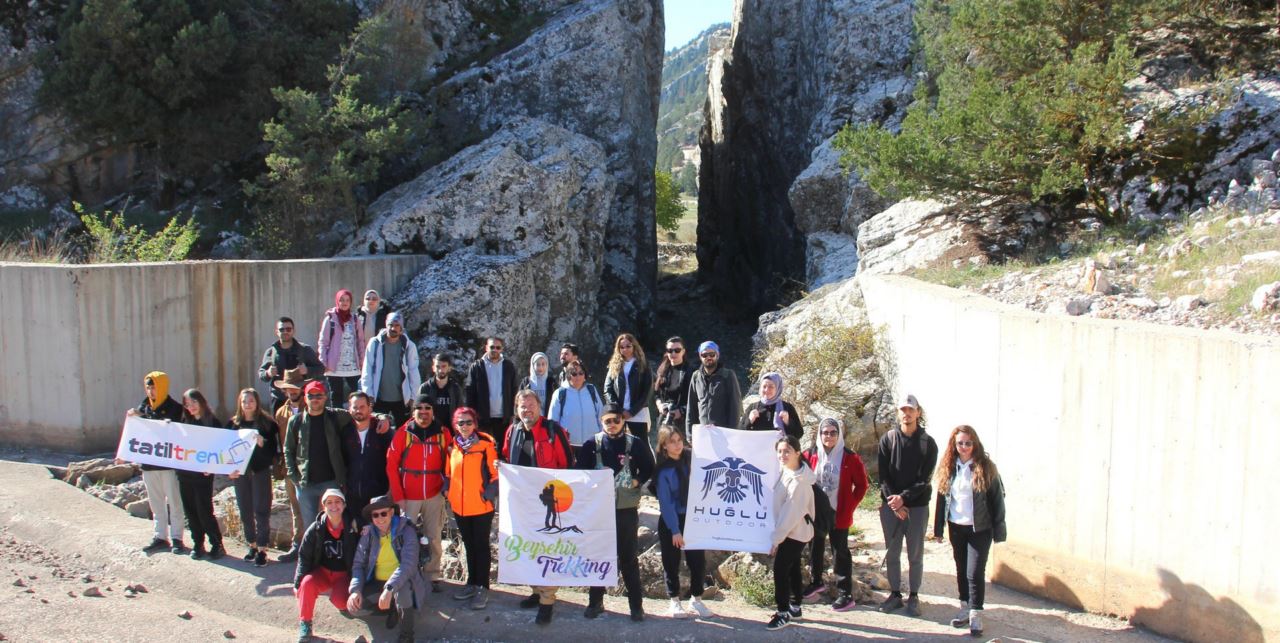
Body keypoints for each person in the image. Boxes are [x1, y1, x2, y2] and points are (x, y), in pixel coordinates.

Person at [502, 390, 575, 624]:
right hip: (523, 503)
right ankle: (536, 590)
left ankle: (547, 600)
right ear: (516, 409)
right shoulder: (512, 431)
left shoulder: (553, 431)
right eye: (522, 406)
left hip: (547, 504)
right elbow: (506, 459)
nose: (527, 410)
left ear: (539, 406)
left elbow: (567, 465)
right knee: (529, 548)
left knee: (548, 549)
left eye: (531, 405)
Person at [577, 404, 654, 621]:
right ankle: (595, 602)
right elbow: (579, 471)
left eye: (616, 420)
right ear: (601, 423)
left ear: (623, 420)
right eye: (607, 421)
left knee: (629, 557)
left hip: (626, 510)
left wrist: (637, 480)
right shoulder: (592, 444)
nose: (612, 425)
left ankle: (636, 607)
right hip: (599, 510)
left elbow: (649, 466)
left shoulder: (635, 443)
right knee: (599, 556)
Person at [932, 425, 1006, 637]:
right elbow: (941, 498)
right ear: (954, 445)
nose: (964, 447)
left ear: (975, 444)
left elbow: (997, 501)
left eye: (968, 443)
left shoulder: (986, 467)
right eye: (960, 443)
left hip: (980, 529)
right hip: (956, 527)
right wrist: (938, 528)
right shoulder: (948, 467)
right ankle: (965, 606)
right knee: (961, 569)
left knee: (974, 572)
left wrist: (999, 530)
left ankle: (976, 613)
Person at [877, 393, 938, 617]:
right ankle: (894, 594)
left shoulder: (927, 443)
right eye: (903, 409)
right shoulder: (888, 440)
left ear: (918, 412)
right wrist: (894, 502)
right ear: (898, 412)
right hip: (891, 506)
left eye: (910, 409)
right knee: (892, 552)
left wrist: (904, 499)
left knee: (915, 553)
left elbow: (925, 479)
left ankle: (914, 596)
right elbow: (883, 476)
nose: (907, 413)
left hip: (917, 507)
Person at [386, 394, 453, 593]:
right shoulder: (403, 433)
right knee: (405, 538)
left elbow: (452, 461)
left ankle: (432, 575)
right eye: (420, 408)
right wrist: (398, 497)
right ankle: (406, 574)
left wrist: (447, 488)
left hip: (434, 494)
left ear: (433, 411)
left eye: (428, 408)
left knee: (433, 536)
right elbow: (391, 465)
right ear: (413, 411)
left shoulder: (443, 433)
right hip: (409, 496)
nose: (423, 412)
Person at [801, 418, 869, 611]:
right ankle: (816, 581)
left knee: (840, 552)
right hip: (816, 511)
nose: (828, 436)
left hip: (839, 512)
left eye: (832, 433)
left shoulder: (850, 458)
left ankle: (844, 593)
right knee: (815, 546)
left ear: (839, 435)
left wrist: (850, 505)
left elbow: (862, 485)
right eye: (825, 433)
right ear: (819, 435)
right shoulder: (810, 454)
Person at [651, 426, 712, 619]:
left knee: (698, 561)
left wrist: (709, 433)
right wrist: (675, 530)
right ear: (664, 446)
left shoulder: (691, 459)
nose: (677, 445)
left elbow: (712, 453)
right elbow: (666, 503)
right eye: (672, 442)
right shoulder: (663, 471)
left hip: (693, 517)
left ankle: (697, 599)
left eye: (679, 440)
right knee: (671, 561)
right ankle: (675, 601)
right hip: (672, 522)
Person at [348, 495, 426, 643]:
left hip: (403, 581)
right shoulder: (368, 534)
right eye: (375, 515)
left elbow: (408, 565)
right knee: (355, 608)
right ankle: (393, 609)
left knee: (402, 594)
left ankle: (406, 635)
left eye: (383, 513)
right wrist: (355, 590)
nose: (380, 518)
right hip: (377, 582)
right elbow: (358, 564)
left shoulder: (406, 531)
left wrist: (389, 588)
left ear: (391, 512)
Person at [444, 407, 498, 610]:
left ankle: (482, 587)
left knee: (481, 546)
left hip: (481, 506)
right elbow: (448, 473)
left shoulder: (486, 445)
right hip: (460, 507)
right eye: (460, 423)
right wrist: (447, 490)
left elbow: (495, 474)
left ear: (475, 424)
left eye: (468, 422)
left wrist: (488, 494)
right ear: (455, 425)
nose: (464, 426)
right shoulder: (452, 446)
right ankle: (471, 583)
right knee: (468, 546)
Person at [125, 371, 185, 553]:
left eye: (155, 387)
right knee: (156, 502)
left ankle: (177, 537)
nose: (152, 392)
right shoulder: (143, 408)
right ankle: (160, 536)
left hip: (168, 464)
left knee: (174, 502)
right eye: (149, 388)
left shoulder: (175, 408)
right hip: (149, 464)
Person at [294, 489, 359, 643]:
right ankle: (305, 624)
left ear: (343, 505)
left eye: (337, 501)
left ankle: (343, 605)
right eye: (329, 502)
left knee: (341, 601)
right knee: (306, 584)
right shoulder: (316, 528)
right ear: (323, 506)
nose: (333, 506)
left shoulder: (353, 526)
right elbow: (304, 555)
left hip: (343, 575)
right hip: (322, 572)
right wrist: (298, 582)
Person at [285, 381, 355, 520]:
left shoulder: (336, 416)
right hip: (305, 483)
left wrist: (382, 418)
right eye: (311, 396)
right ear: (305, 398)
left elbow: (360, 414)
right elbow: (288, 450)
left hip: (331, 481)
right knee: (310, 524)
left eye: (319, 395)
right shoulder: (295, 421)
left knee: (334, 521)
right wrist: (294, 477)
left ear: (325, 397)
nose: (315, 399)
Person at [766, 435, 816, 631]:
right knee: (793, 566)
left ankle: (782, 612)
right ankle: (795, 607)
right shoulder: (788, 471)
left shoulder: (799, 482)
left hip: (795, 532)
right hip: (792, 530)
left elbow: (790, 514)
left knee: (780, 569)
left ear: (797, 452)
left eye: (787, 451)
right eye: (779, 451)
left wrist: (777, 539)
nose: (782, 455)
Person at [226, 388, 279, 567]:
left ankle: (263, 548)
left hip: (260, 471)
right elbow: (225, 451)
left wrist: (262, 443)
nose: (248, 404)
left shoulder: (268, 424)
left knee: (261, 510)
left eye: (251, 401)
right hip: (241, 473)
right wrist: (228, 469)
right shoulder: (232, 425)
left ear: (257, 402)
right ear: (239, 404)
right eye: (244, 401)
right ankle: (252, 545)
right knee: (245, 510)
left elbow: (273, 452)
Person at [178, 389, 225, 560]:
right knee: (190, 510)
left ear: (201, 402)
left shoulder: (213, 422)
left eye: (194, 403)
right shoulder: (184, 423)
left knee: (204, 510)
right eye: (187, 405)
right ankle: (198, 543)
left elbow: (221, 447)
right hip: (184, 474)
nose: (191, 407)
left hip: (203, 475)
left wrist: (213, 466)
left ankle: (217, 543)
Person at [360, 311, 420, 427]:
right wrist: (369, 395)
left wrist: (413, 397)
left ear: (401, 328)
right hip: (379, 398)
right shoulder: (375, 343)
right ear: (386, 325)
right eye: (390, 325)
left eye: (397, 325)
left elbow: (413, 371)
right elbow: (367, 369)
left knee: (403, 433)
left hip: (402, 399)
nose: (393, 328)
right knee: (378, 432)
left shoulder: (409, 346)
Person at [342, 392, 394, 523]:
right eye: (355, 407)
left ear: (369, 408)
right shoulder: (345, 431)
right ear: (349, 409)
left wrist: (391, 489)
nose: (358, 410)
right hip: (352, 495)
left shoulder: (382, 430)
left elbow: (393, 461)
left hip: (378, 494)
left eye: (362, 406)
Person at [273, 368, 309, 563]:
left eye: (296, 388)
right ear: (285, 391)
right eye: (289, 389)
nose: (293, 392)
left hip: (309, 466)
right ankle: (298, 544)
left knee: (312, 506)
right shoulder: (281, 412)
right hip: (289, 466)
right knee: (295, 508)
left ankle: (313, 545)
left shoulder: (311, 407)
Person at [259, 316, 324, 411]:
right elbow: (262, 374)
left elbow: (321, 369)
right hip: (279, 399)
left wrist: (307, 370)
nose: (285, 332)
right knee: (279, 425)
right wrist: (268, 373)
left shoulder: (305, 350)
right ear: (276, 332)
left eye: (288, 329)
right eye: (282, 329)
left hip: (302, 399)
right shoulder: (271, 352)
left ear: (293, 331)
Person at [465, 337, 518, 448]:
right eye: (492, 347)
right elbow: (470, 393)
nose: (495, 350)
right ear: (486, 348)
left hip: (503, 418)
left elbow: (514, 390)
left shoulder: (509, 366)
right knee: (483, 448)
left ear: (501, 349)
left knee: (501, 450)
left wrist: (514, 413)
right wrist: (471, 415)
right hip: (483, 418)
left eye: (498, 347)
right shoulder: (477, 367)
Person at [603, 333, 654, 442]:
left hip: (639, 412)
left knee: (641, 445)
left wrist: (632, 411)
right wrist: (618, 409)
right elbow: (608, 389)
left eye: (628, 346)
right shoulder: (614, 365)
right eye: (622, 347)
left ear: (634, 346)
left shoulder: (643, 364)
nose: (625, 349)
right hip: (619, 413)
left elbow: (647, 391)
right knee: (619, 444)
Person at [318, 289, 366, 403]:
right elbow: (323, 342)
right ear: (337, 301)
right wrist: (323, 361)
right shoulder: (330, 319)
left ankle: (353, 419)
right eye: (341, 300)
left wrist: (362, 359)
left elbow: (360, 341)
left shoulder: (354, 319)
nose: (344, 303)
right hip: (333, 365)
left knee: (355, 395)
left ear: (350, 302)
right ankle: (336, 420)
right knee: (336, 396)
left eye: (347, 300)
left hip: (352, 365)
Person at [546, 360, 603, 454]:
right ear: (568, 376)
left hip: (592, 443)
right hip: (568, 445)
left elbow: (600, 415)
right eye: (574, 373)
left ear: (585, 375)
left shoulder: (592, 390)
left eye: (581, 373)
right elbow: (552, 421)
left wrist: (601, 436)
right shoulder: (560, 393)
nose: (578, 376)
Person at [686, 341, 742, 436]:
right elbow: (691, 406)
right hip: (703, 433)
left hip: (723, 433)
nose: (708, 357)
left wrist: (733, 433)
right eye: (704, 355)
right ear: (700, 357)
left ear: (717, 355)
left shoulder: (728, 375)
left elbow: (735, 406)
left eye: (712, 354)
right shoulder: (696, 377)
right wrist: (690, 434)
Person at [739, 372, 803, 440]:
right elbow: (739, 432)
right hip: (756, 449)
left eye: (771, 387)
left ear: (778, 388)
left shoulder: (787, 408)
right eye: (764, 386)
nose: (767, 390)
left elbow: (799, 434)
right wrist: (750, 421)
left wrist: (787, 421)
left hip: (779, 450)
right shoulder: (752, 407)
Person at [653, 337, 695, 431]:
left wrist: (681, 411)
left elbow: (695, 398)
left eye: (677, 350)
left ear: (683, 352)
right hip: (664, 418)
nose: (673, 353)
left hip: (683, 421)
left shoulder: (691, 372)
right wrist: (660, 405)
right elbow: (656, 393)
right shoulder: (662, 370)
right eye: (670, 350)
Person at [418, 354, 465, 434]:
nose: (440, 370)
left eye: (444, 366)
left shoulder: (455, 389)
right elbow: (418, 412)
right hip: (430, 431)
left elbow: (460, 412)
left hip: (451, 432)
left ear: (449, 368)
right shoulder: (425, 388)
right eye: (437, 367)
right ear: (433, 368)